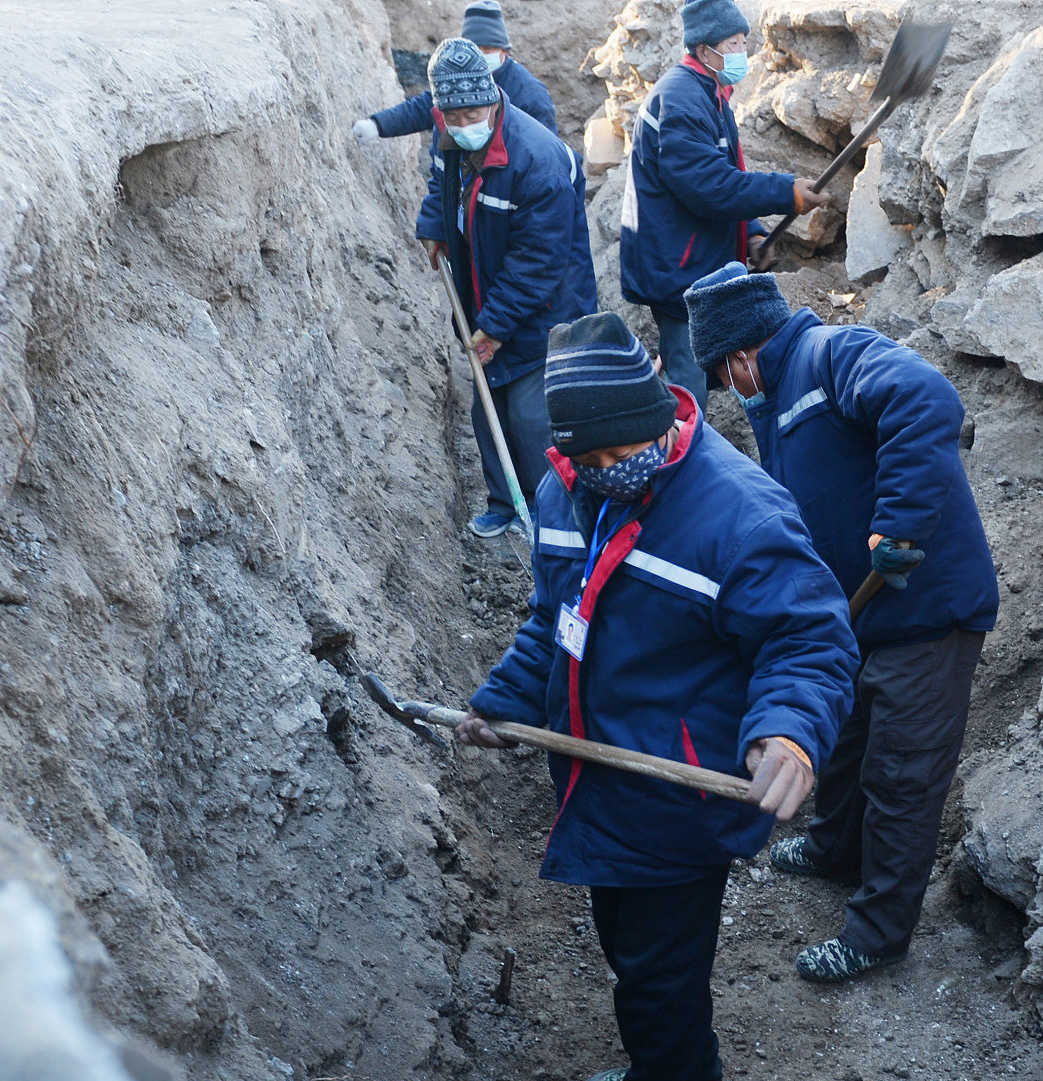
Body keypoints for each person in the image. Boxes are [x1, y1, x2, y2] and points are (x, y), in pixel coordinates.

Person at [461, 312, 858, 1081]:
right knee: (637, 948)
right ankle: (689, 1068)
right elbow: (552, 622)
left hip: (677, 793)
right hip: (600, 774)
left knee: (653, 970)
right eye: (591, 462)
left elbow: (810, 641)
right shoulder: (569, 492)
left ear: (660, 416)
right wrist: (501, 702)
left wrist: (788, 732)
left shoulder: (736, 513)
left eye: (624, 454)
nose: (612, 473)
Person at [682, 262, 999, 984]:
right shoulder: (777, 398)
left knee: (901, 774)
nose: (728, 391)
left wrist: (900, 523)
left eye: (723, 374)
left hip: (927, 612)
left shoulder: (833, 356)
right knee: (848, 736)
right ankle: (833, 845)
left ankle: (879, 931)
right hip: (858, 615)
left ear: (740, 357)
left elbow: (927, 399)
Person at [410, 38, 600, 540]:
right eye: (454, 115)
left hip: (545, 308)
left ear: (494, 99)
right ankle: (504, 501)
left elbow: (538, 263)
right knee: (486, 404)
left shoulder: (537, 161)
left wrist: (492, 327)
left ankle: (554, 518)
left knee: (533, 417)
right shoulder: (451, 132)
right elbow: (439, 181)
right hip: (485, 292)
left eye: (473, 111)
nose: (463, 122)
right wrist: (434, 225)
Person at [618, 0, 832, 404]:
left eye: (743, 41)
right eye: (733, 43)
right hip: (676, 270)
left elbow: (726, 169)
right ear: (704, 51)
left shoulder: (710, 92)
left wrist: (751, 233)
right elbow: (710, 186)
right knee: (688, 377)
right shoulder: (681, 100)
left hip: (692, 260)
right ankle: (683, 451)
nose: (741, 52)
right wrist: (786, 192)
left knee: (708, 361)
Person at [354, 2, 559, 139]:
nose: (481, 56)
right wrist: (377, 125)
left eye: (488, 50)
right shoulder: (459, 77)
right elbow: (424, 107)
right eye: (475, 49)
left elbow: (546, 150)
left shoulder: (529, 93)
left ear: (504, 50)